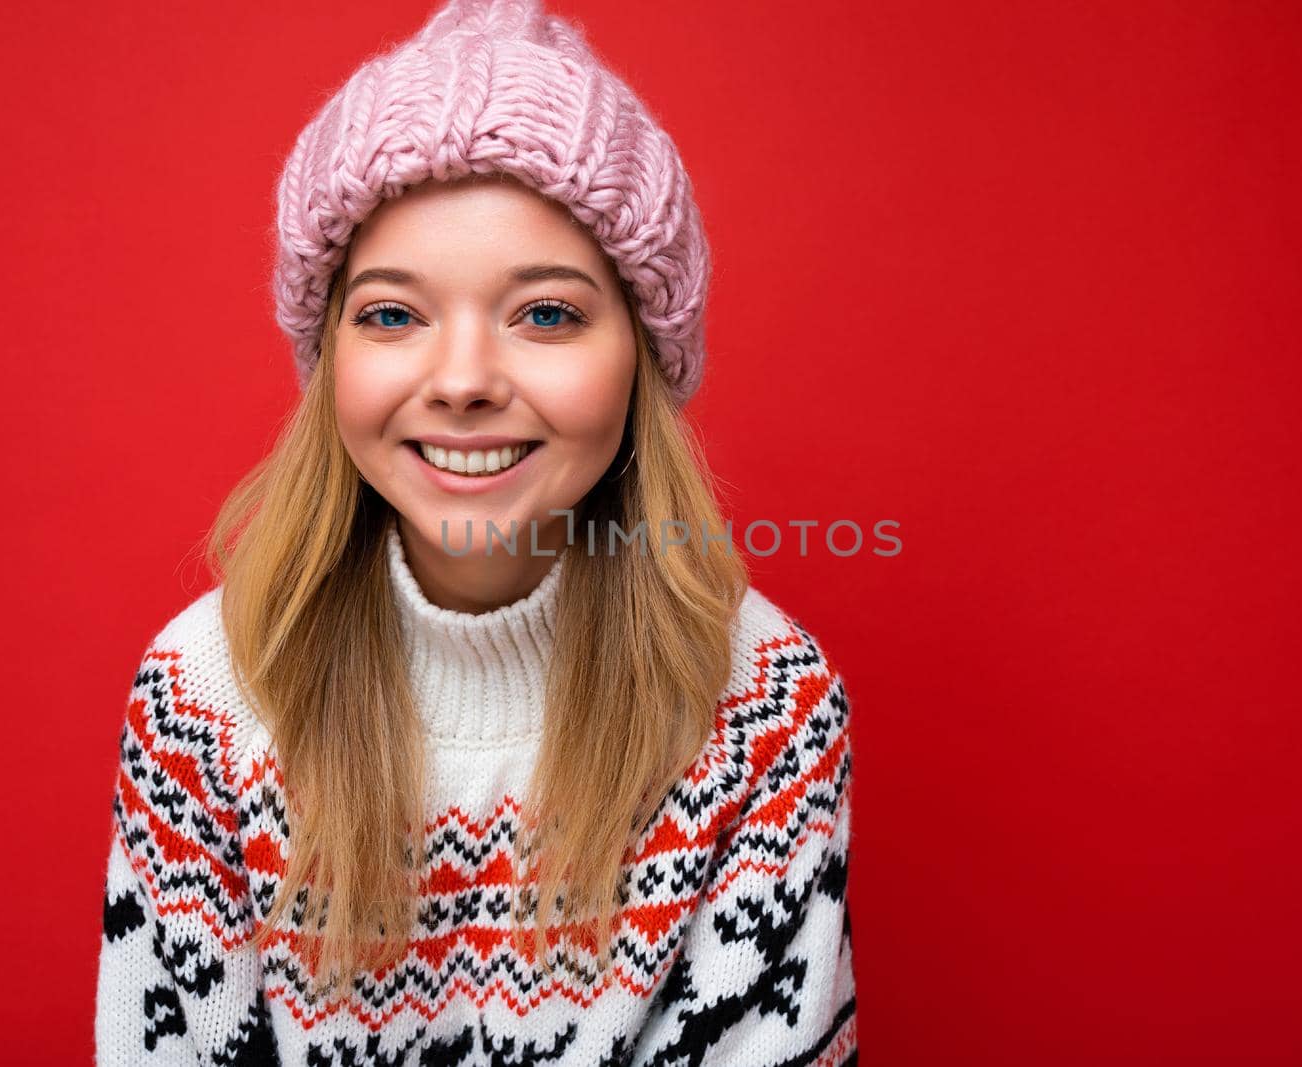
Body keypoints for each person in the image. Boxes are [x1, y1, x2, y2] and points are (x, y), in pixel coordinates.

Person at [93, 1, 857, 1063]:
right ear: (331, 362)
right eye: (392, 314)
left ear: (640, 356)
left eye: (544, 313)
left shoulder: (759, 703)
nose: (460, 382)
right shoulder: (209, 695)